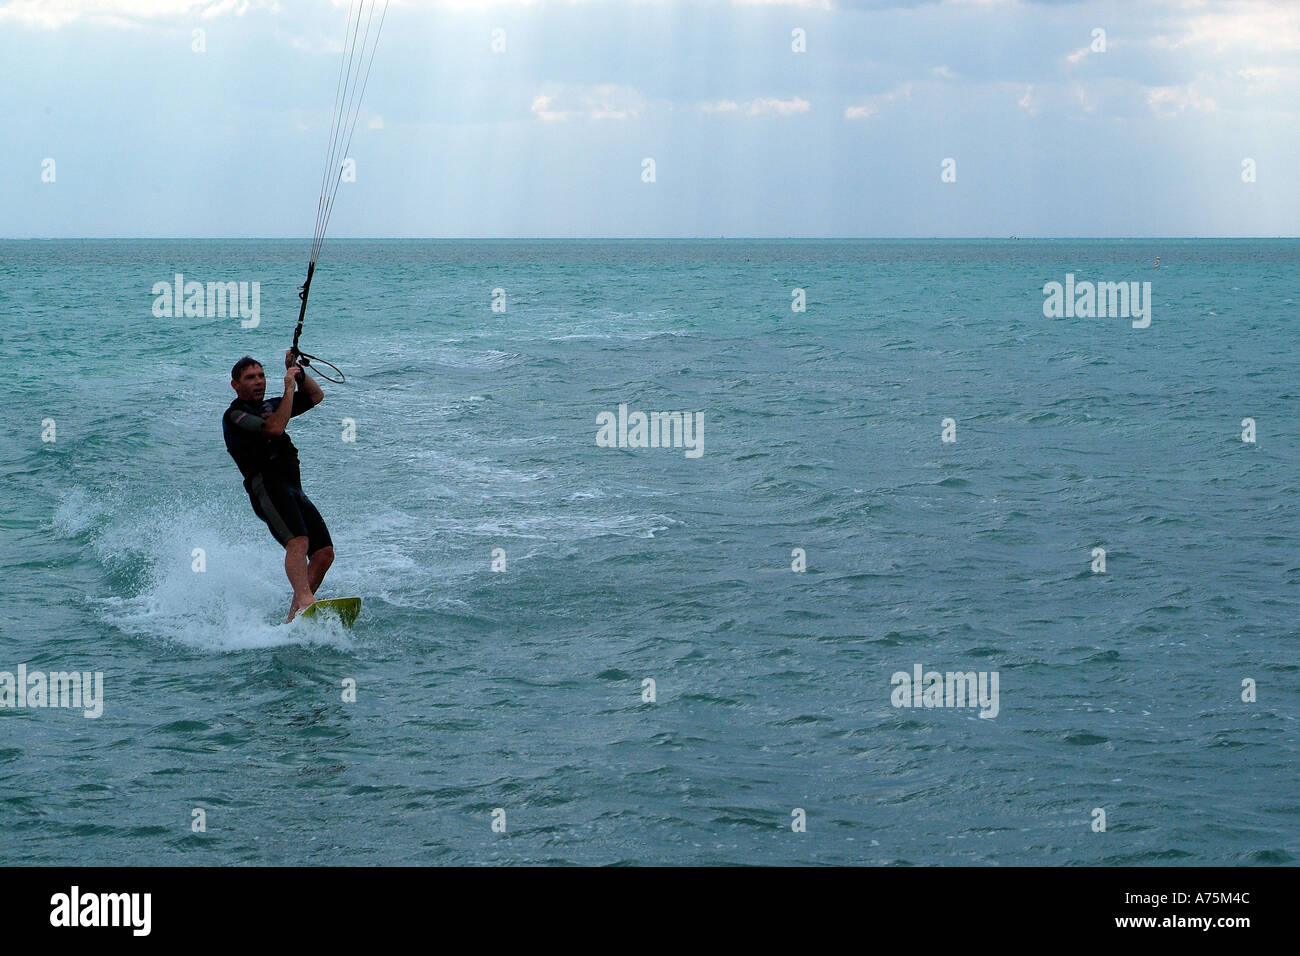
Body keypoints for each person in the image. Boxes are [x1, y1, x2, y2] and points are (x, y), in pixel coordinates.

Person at [222, 350, 333, 621]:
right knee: (298, 542)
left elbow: (316, 396)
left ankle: (295, 615)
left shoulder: (273, 404)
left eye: (261, 375)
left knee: (323, 554)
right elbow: (273, 429)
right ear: (236, 385)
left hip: (293, 486)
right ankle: (306, 601)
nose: (259, 381)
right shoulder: (234, 416)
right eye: (250, 377)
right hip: (267, 487)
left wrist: (297, 372)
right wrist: (288, 388)